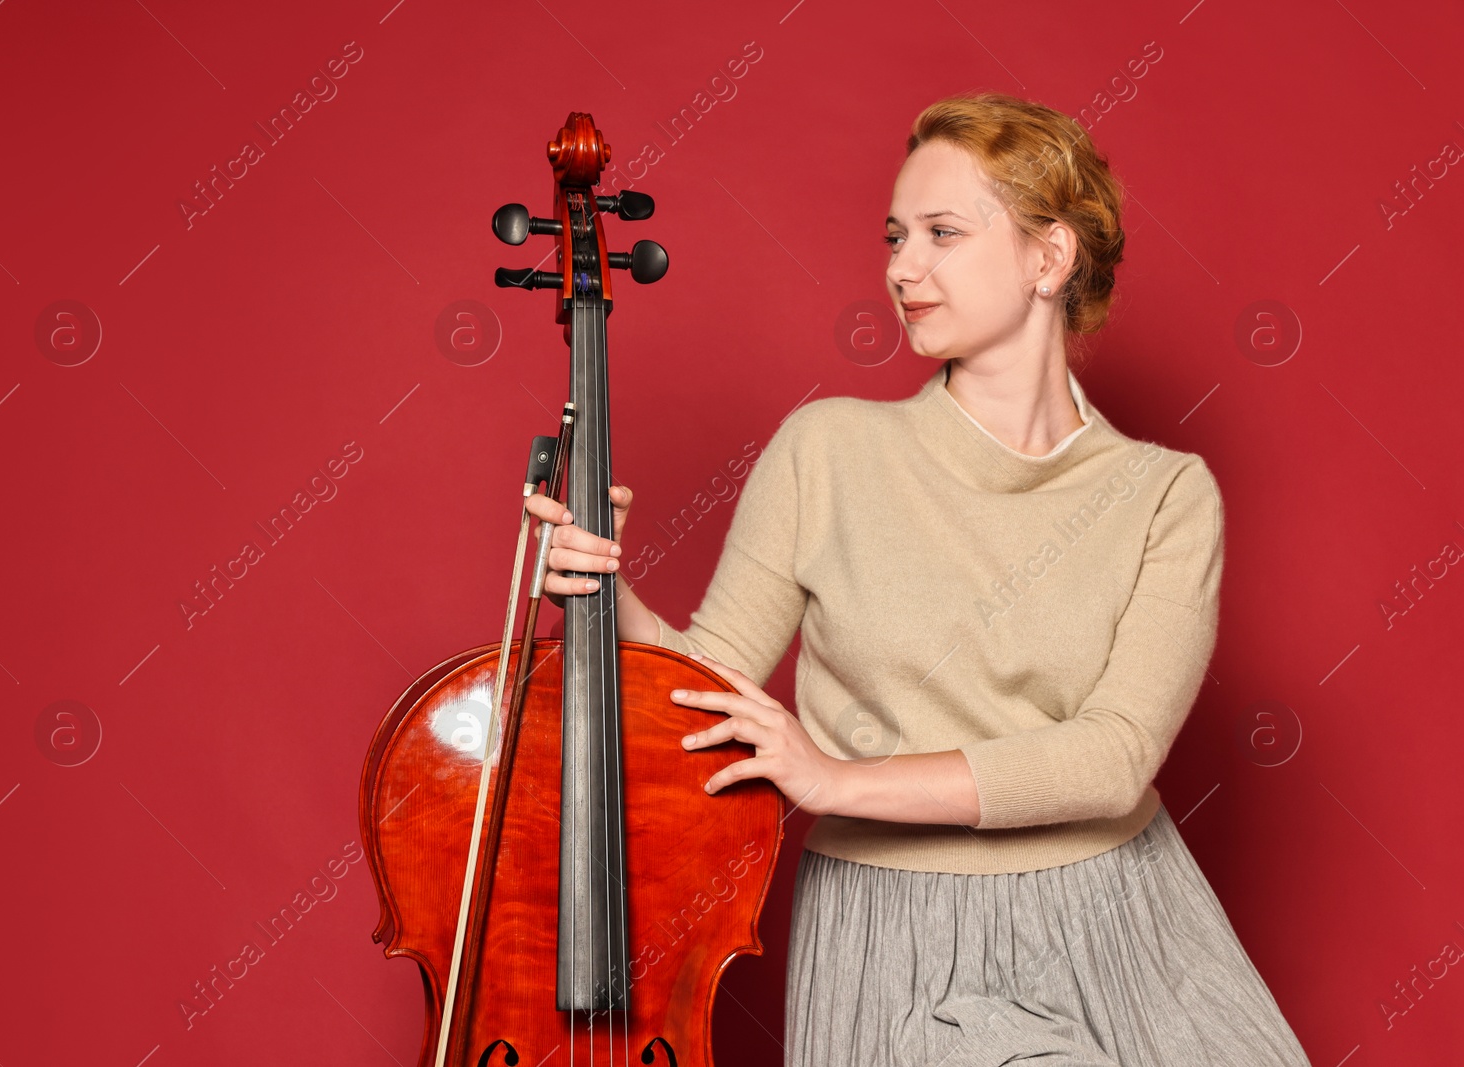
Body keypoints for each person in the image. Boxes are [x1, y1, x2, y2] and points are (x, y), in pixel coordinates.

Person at [525, 93, 1313, 1066]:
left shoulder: (1162, 494)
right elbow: (706, 689)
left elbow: (1113, 756)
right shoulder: (828, 450)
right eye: (895, 236)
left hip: (1123, 913)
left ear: (1048, 257)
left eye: (942, 232)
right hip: (894, 928)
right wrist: (602, 591)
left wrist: (835, 775)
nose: (902, 267)